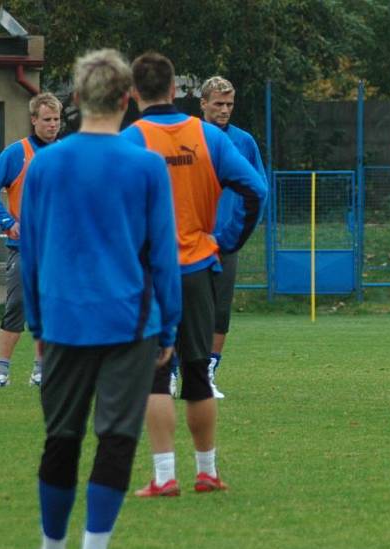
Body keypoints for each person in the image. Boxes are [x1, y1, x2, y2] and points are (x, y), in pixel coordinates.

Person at [19, 49, 182, 549]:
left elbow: (32, 255)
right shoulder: (146, 165)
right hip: (129, 323)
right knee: (116, 437)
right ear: (127, 98)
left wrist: (38, 326)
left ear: (73, 100)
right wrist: (169, 325)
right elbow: (164, 254)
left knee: (60, 437)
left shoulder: (44, 164)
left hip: (63, 322)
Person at [122, 52, 266, 497]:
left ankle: (164, 477)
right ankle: (207, 471)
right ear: (175, 92)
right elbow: (255, 190)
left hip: (149, 273)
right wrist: (225, 240)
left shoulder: (128, 142)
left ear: (132, 95)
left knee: (155, 375)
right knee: (198, 370)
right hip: (199, 267)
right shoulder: (209, 138)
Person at [0, 92, 61, 388]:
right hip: (25, 249)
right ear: (34, 119)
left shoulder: (65, 154)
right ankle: (2, 372)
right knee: (17, 306)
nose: (53, 125)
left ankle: (40, 370)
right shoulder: (17, 153)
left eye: (56, 119)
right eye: (47, 119)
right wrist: (7, 221)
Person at [198, 75, 267, 399]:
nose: (224, 110)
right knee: (176, 308)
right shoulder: (187, 138)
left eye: (229, 104)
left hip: (224, 242)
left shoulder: (244, 142)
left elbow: (259, 190)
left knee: (219, 311)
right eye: (218, 104)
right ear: (203, 104)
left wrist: (234, 237)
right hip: (185, 241)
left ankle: (207, 373)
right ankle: (169, 371)